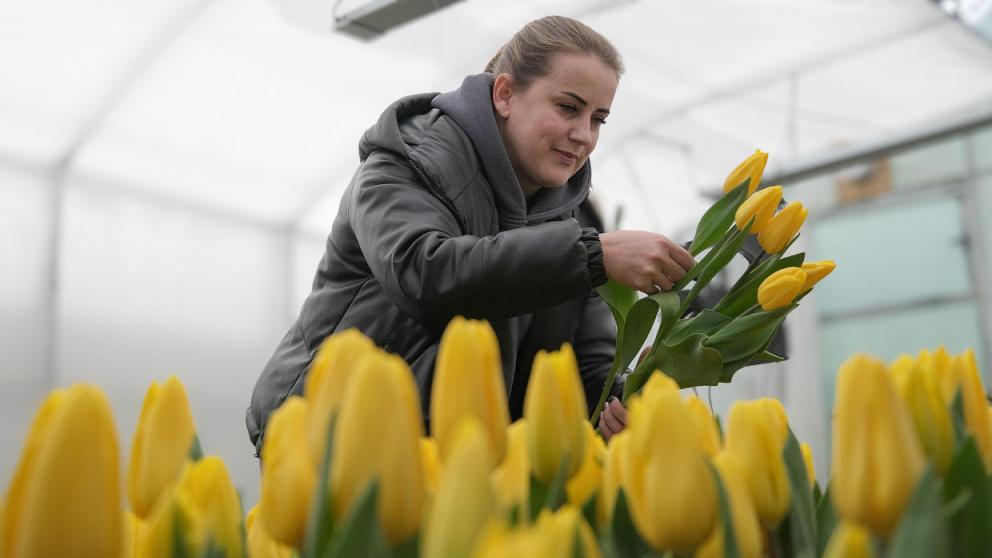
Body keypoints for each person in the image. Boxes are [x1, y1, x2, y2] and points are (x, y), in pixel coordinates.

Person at [245, 15, 694, 455]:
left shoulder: (574, 226)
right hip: (329, 435)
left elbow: (581, 367)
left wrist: (623, 396)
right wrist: (592, 256)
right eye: (568, 107)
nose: (583, 135)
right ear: (505, 94)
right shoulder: (406, 162)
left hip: (456, 455)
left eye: (599, 119)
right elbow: (423, 272)